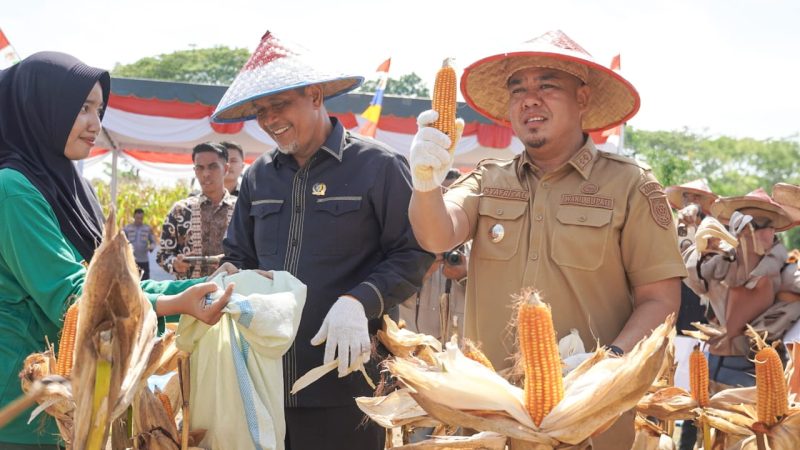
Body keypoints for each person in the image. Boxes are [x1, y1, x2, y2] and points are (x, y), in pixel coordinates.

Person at [407, 30, 686, 449]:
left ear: (583, 98)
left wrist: (607, 364)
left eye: (547, 86)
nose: (529, 99)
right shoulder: (488, 179)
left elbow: (660, 300)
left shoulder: (630, 186)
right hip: (490, 415)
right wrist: (425, 182)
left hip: (589, 416)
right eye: (517, 89)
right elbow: (436, 234)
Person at [0, 52, 233, 448]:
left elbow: (112, 282)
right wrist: (177, 301)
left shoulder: (71, 187)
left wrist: (202, 288)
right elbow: (76, 296)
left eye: (100, 109)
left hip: (72, 400)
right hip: (23, 406)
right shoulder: (12, 189)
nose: (96, 123)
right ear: (40, 107)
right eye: (82, 108)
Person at [212, 31, 432, 450]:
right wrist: (228, 278)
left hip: (348, 385)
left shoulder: (378, 166)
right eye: (260, 110)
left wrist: (360, 300)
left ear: (315, 95)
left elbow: (414, 253)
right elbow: (239, 255)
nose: (270, 119)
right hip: (265, 381)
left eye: (280, 104)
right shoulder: (259, 177)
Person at [683, 189, 795, 390]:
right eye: (762, 224)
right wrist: (692, 232)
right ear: (741, 228)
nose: (770, 232)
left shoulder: (785, 271)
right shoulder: (718, 265)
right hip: (711, 365)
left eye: (772, 226)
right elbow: (688, 274)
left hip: (757, 371)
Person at [665, 179, 717, 450]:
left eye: (696, 196)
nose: (690, 200)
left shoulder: (714, 229)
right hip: (669, 319)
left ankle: (686, 444)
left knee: (695, 392)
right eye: (687, 196)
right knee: (665, 386)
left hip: (700, 321)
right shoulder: (670, 225)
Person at [400, 169, 469, 341]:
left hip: (460, 358)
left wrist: (466, 276)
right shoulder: (407, 244)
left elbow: (495, 302)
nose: (447, 207)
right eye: (441, 199)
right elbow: (389, 298)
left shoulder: (478, 250)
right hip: (413, 356)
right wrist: (422, 271)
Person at [157, 142, 236, 279]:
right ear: (195, 171)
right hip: (188, 293)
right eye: (200, 168)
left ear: (226, 168)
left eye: (213, 167)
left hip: (232, 292)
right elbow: (163, 255)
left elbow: (252, 252)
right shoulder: (180, 210)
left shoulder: (240, 209)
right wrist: (175, 264)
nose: (206, 173)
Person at [124, 207, 157, 279]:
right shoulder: (127, 229)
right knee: (131, 281)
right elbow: (122, 243)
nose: (139, 220)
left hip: (143, 261)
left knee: (144, 283)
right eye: (137, 218)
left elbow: (153, 242)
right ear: (134, 217)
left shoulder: (147, 229)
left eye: (141, 218)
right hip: (131, 260)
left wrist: (151, 247)